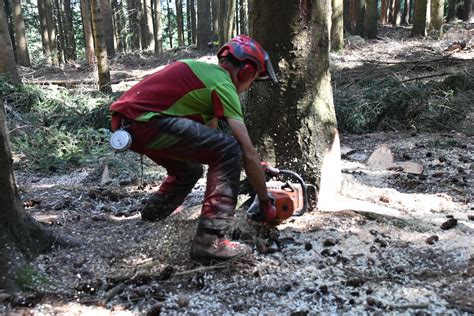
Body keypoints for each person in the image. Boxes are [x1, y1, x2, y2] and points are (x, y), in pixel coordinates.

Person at [109, 35, 278, 264]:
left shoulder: (206, 79)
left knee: (191, 170)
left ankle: (152, 214)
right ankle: (211, 242)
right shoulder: (223, 83)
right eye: (252, 80)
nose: (248, 87)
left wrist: (254, 169)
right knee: (230, 148)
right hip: (146, 122)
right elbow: (244, 151)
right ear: (247, 72)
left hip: (131, 127)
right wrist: (266, 203)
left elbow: (210, 145)